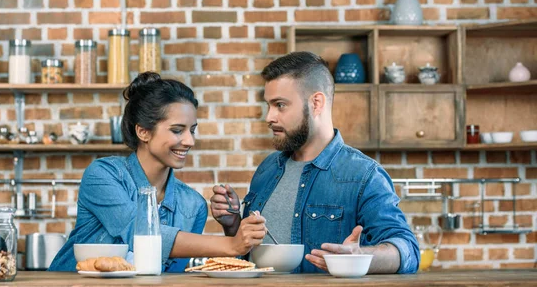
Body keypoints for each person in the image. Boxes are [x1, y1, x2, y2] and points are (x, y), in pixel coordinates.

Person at [210, 52, 419, 274]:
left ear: (316, 103)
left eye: (280, 105)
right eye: (268, 105)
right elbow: (249, 257)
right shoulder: (267, 170)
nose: (269, 117)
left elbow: (408, 251)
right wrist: (233, 225)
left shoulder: (364, 175)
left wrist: (361, 257)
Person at [49, 72, 266, 272]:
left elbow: (167, 276)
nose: (190, 141)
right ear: (143, 131)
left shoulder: (193, 205)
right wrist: (232, 243)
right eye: (177, 130)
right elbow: (140, 232)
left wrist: (232, 227)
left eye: (192, 130)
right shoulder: (103, 175)